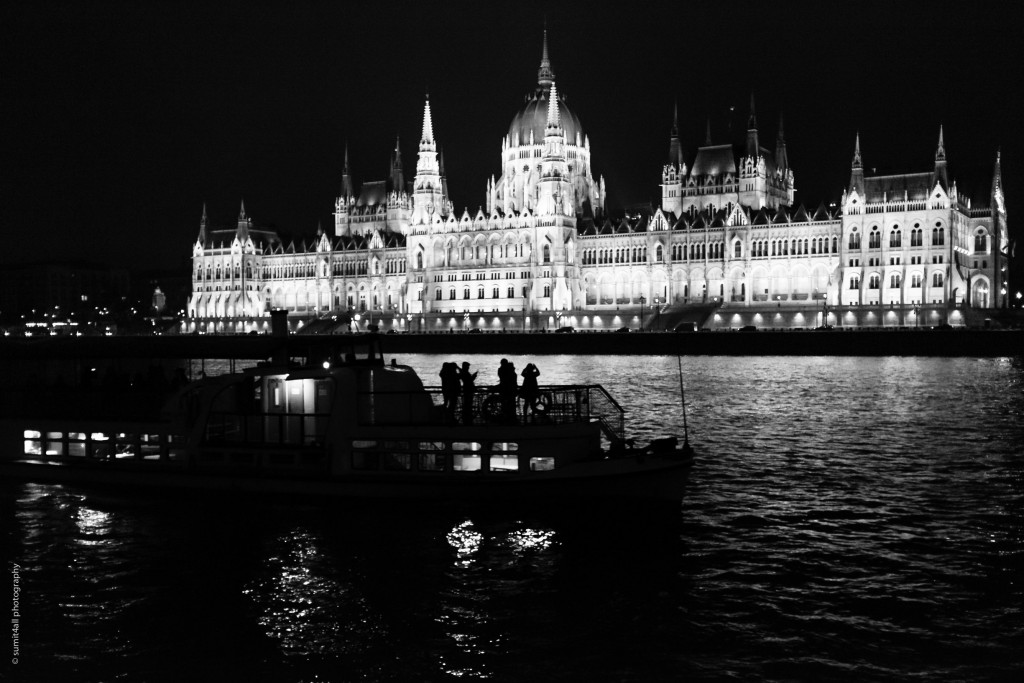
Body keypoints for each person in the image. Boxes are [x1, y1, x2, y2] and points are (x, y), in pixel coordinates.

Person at [498, 358, 519, 423]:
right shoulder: (511, 372)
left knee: (505, 404)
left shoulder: (501, 370)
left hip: (505, 390)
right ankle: (511, 418)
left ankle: (506, 418)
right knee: (511, 404)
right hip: (511, 390)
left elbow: (502, 378)